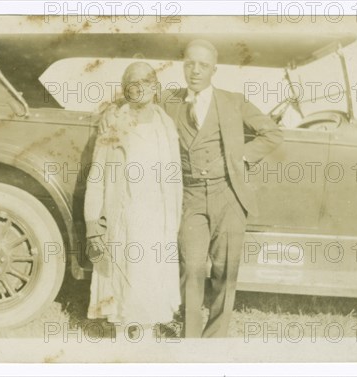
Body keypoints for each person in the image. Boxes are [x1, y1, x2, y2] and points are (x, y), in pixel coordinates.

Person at [101, 39, 283, 338]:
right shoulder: (170, 101)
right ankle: (191, 340)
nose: (195, 71)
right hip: (191, 196)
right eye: (189, 64)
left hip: (229, 196)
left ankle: (215, 338)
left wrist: (241, 158)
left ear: (214, 69)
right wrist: (113, 110)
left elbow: (271, 133)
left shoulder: (233, 101)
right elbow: (138, 102)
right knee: (192, 269)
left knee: (226, 273)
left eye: (202, 65)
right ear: (183, 66)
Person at [84, 62, 183, 338]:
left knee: (152, 277)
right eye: (132, 83)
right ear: (125, 90)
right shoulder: (113, 124)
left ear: (155, 87)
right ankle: (123, 340)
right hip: (123, 216)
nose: (140, 88)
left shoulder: (166, 125)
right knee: (123, 278)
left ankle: (147, 337)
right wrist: (93, 224)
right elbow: (97, 175)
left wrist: (174, 220)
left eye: (146, 82)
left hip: (157, 217)